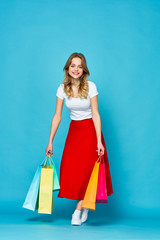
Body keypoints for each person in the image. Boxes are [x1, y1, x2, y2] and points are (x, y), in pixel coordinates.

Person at [45, 52, 113, 226]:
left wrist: (99, 141)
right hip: (74, 131)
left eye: (80, 66)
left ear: (84, 70)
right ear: (68, 68)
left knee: (88, 171)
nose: (76, 69)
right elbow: (57, 116)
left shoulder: (91, 86)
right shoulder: (62, 88)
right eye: (73, 65)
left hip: (90, 131)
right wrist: (50, 141)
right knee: (72, 169)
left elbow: (96, 114)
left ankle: (77, 210)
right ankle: (85, 205)